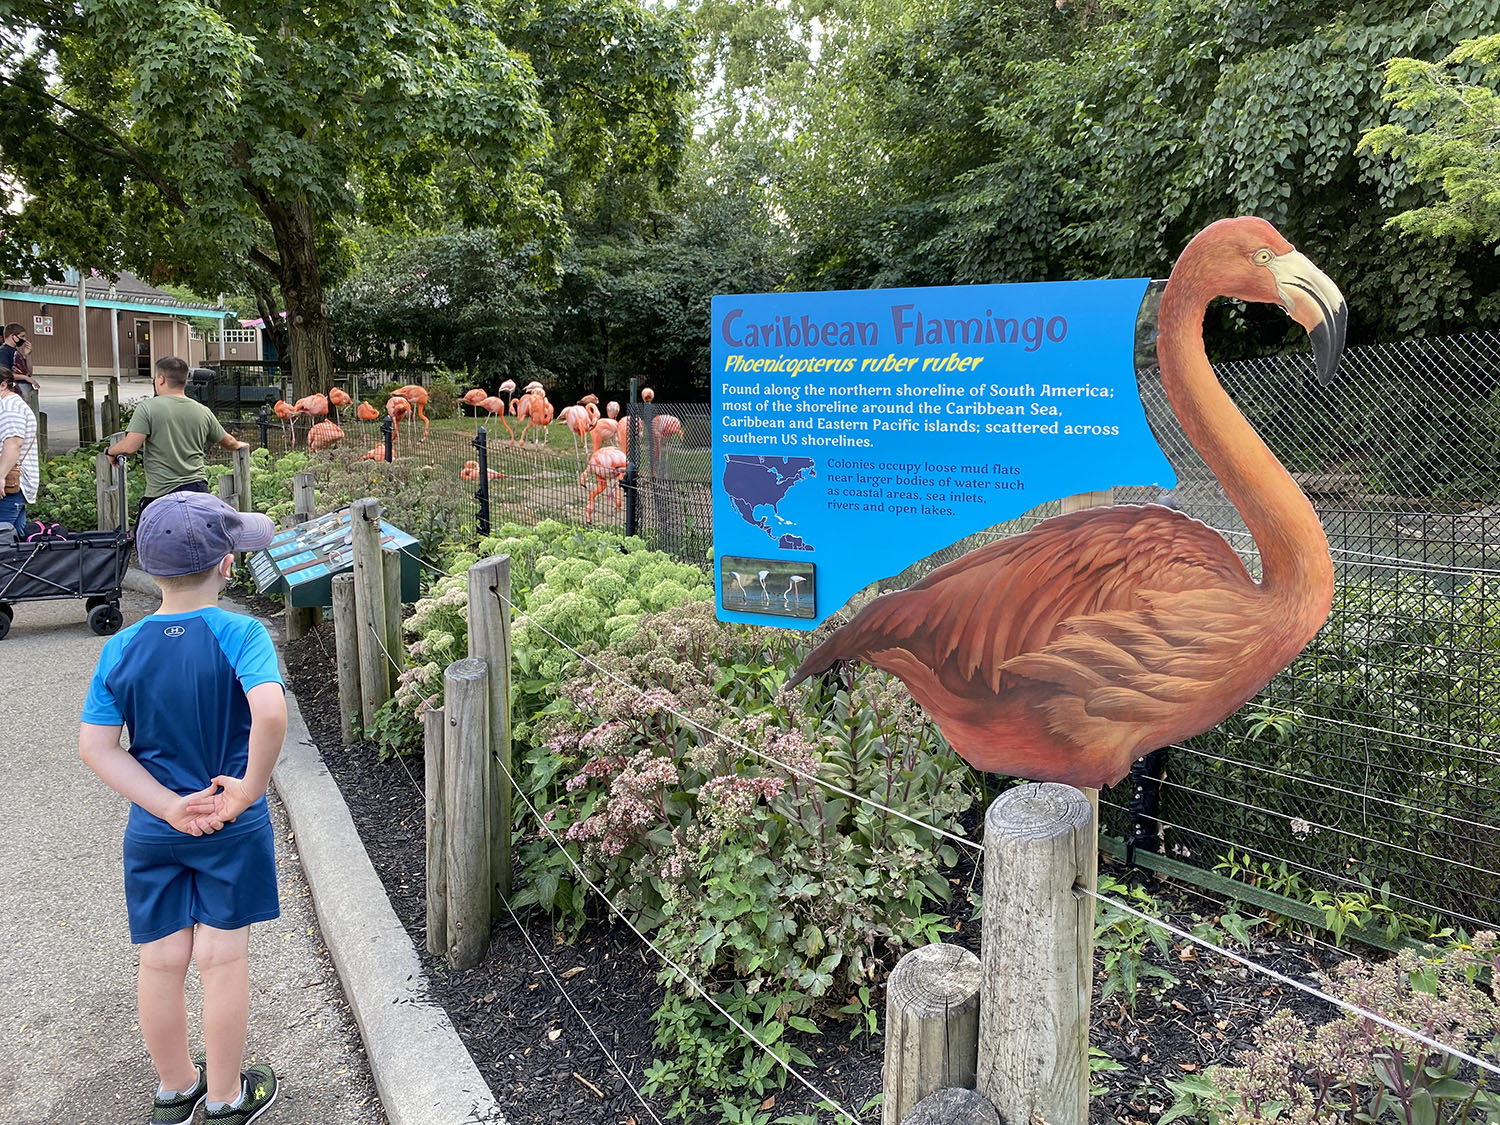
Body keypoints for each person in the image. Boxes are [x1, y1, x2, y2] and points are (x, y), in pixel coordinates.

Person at [79, 491, 285, 1123]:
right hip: (229, 819)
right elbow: (270, 711)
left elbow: (96, 747)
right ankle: (226, 1097)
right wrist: (247, 788)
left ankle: (175, 1089)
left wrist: (168, 805)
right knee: (222, 957)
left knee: (161, 958)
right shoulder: (240, 632)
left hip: (157, 826)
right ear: (227, 564)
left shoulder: (121, 648)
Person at [107, 356, 249, 514]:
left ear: (161, 379)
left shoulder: (147, 408)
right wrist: (238, 445)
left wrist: (110, 451)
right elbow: (229, 442)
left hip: (162, 495)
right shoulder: (202, 411)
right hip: (197, 491)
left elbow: (129, 447)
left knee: (149, 537)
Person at [0, 366, 40, 532]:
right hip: (14, 485)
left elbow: (14, 443)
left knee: (3, 540)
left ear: (3, 385)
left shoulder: (9, 407)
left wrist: (0, 476)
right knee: (15, 543)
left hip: (10, 485)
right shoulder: (11, 404)